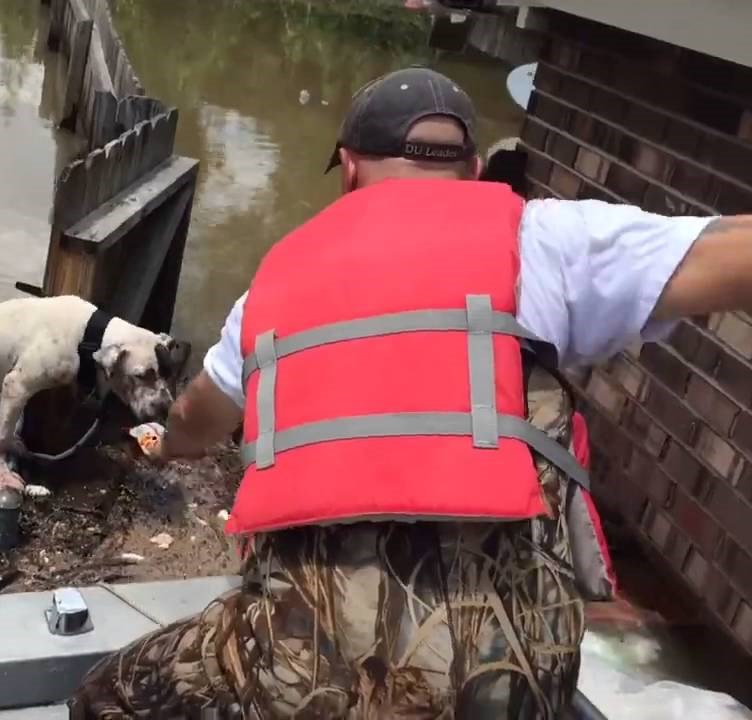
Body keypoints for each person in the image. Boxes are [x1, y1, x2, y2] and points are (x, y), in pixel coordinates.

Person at [69, 66, 752, 719]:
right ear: (474, 170)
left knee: (109, 695)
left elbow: (197, 419)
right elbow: (729, 258)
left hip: (309, 685)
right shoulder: (552, 241)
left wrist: (166, 446)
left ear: (351, 168)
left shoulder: (274, 290)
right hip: (514, 681)